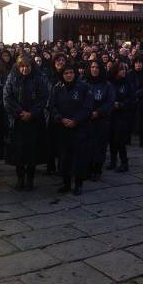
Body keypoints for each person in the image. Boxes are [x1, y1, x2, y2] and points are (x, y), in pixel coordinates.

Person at [3, 55, 49, 191]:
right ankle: (20, 178)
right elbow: (7, 97)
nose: (24, 69)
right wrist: (19, 112)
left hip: (34, 121)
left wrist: (31, 113)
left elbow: (43, 97)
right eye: (22, 66)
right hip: (18, 121)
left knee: (32, 152)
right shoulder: (12, 77)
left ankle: (30, 179)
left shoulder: (39, 78)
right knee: (18, 152)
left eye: (27, 66)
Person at [51, 65, 93, 195]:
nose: (68, 75)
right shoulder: (57, 88)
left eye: (71, 72)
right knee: (64, 156)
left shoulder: (84, 87)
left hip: (79, 127)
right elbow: (52, 106)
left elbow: (87, 107)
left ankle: (78, 184)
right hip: (63, 127)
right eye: (66, 73)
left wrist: (76, 120)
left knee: (79, 156)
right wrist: (60, 118)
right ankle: (66, 183)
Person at [85, 60, 115, 181]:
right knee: (87, 146)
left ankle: (97, 169)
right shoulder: (84, 83)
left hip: (101, 120)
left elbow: (110, 102)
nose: (94, 69)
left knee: (99, 146)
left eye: (97, 67)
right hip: (87, 119)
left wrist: (98, 112)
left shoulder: (107, 85)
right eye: (92, 67)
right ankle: (88, 168)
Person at [108, 62, 134, 172]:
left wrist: (121, 104)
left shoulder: (128, 83)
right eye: (120, 69)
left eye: (124, 69)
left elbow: (132, 99)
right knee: (112, 139)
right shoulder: (110, 83)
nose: (123, 71)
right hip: (111, 115)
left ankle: (124, 162)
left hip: (123, 115)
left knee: (120, 140)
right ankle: (113, 161)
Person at [128, 57, 143, 147]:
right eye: (136, 63)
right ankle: (128, 139)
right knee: (130, 120)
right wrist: (133, 94)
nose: (138, 64)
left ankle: (142, 141)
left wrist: (139, 93)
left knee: (142, 121)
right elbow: (128, 85)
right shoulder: (130, 73)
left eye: (140, 62)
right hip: (131, 99)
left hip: (142, 100)